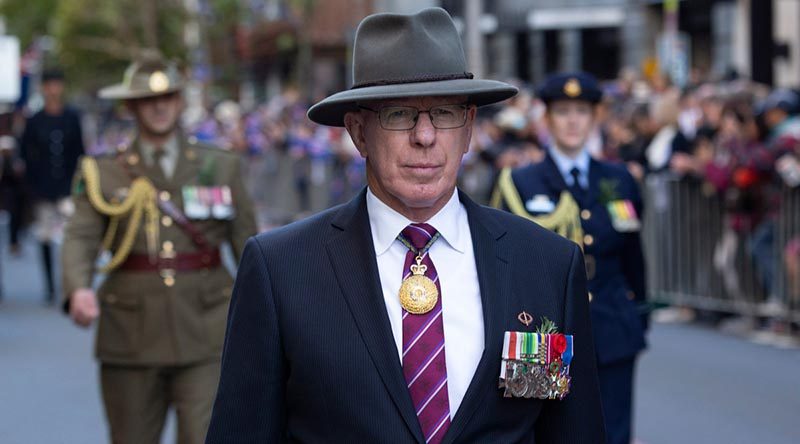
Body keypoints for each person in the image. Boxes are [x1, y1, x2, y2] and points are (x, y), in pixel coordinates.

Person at [207, 8, 604, 443]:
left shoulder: (547, 263)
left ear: (469, 129)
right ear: (359, 132)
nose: (425, 136)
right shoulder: (281, 268)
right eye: (399, 115)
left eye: (445, 113)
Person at [61, 52, 257, 444]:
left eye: (168, 96)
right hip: (130, 331)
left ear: (180, 101)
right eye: (148, 99)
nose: (159, 106)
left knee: (205, 437)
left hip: (205, 326)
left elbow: (247, 244)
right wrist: (77, 287)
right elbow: (81, 234)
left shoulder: (219, 165)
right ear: (131, 106)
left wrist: (266, 314)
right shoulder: (103, 170)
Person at [492, 72, 648, 444]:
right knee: (542, 432)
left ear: (595, 117)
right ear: (546, 119)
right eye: (563, 112)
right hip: (541, 330)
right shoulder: (520, 182)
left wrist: (640, 316)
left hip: (610, 325)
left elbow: (633, 255)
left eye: (582, 111)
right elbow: (502, 262)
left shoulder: (619, 179)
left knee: (612, 432)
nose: (573, 120)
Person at [19, 68, 84, 303]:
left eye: (57, 84)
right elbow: (26, 153)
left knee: (71, 238)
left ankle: (70, 285)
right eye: (50, 85)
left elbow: (79, 152)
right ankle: (50, 286)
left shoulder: (71, 117)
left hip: (67, 186)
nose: (54, 89)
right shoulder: (35, 120)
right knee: (45, 236)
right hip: (43, 187)